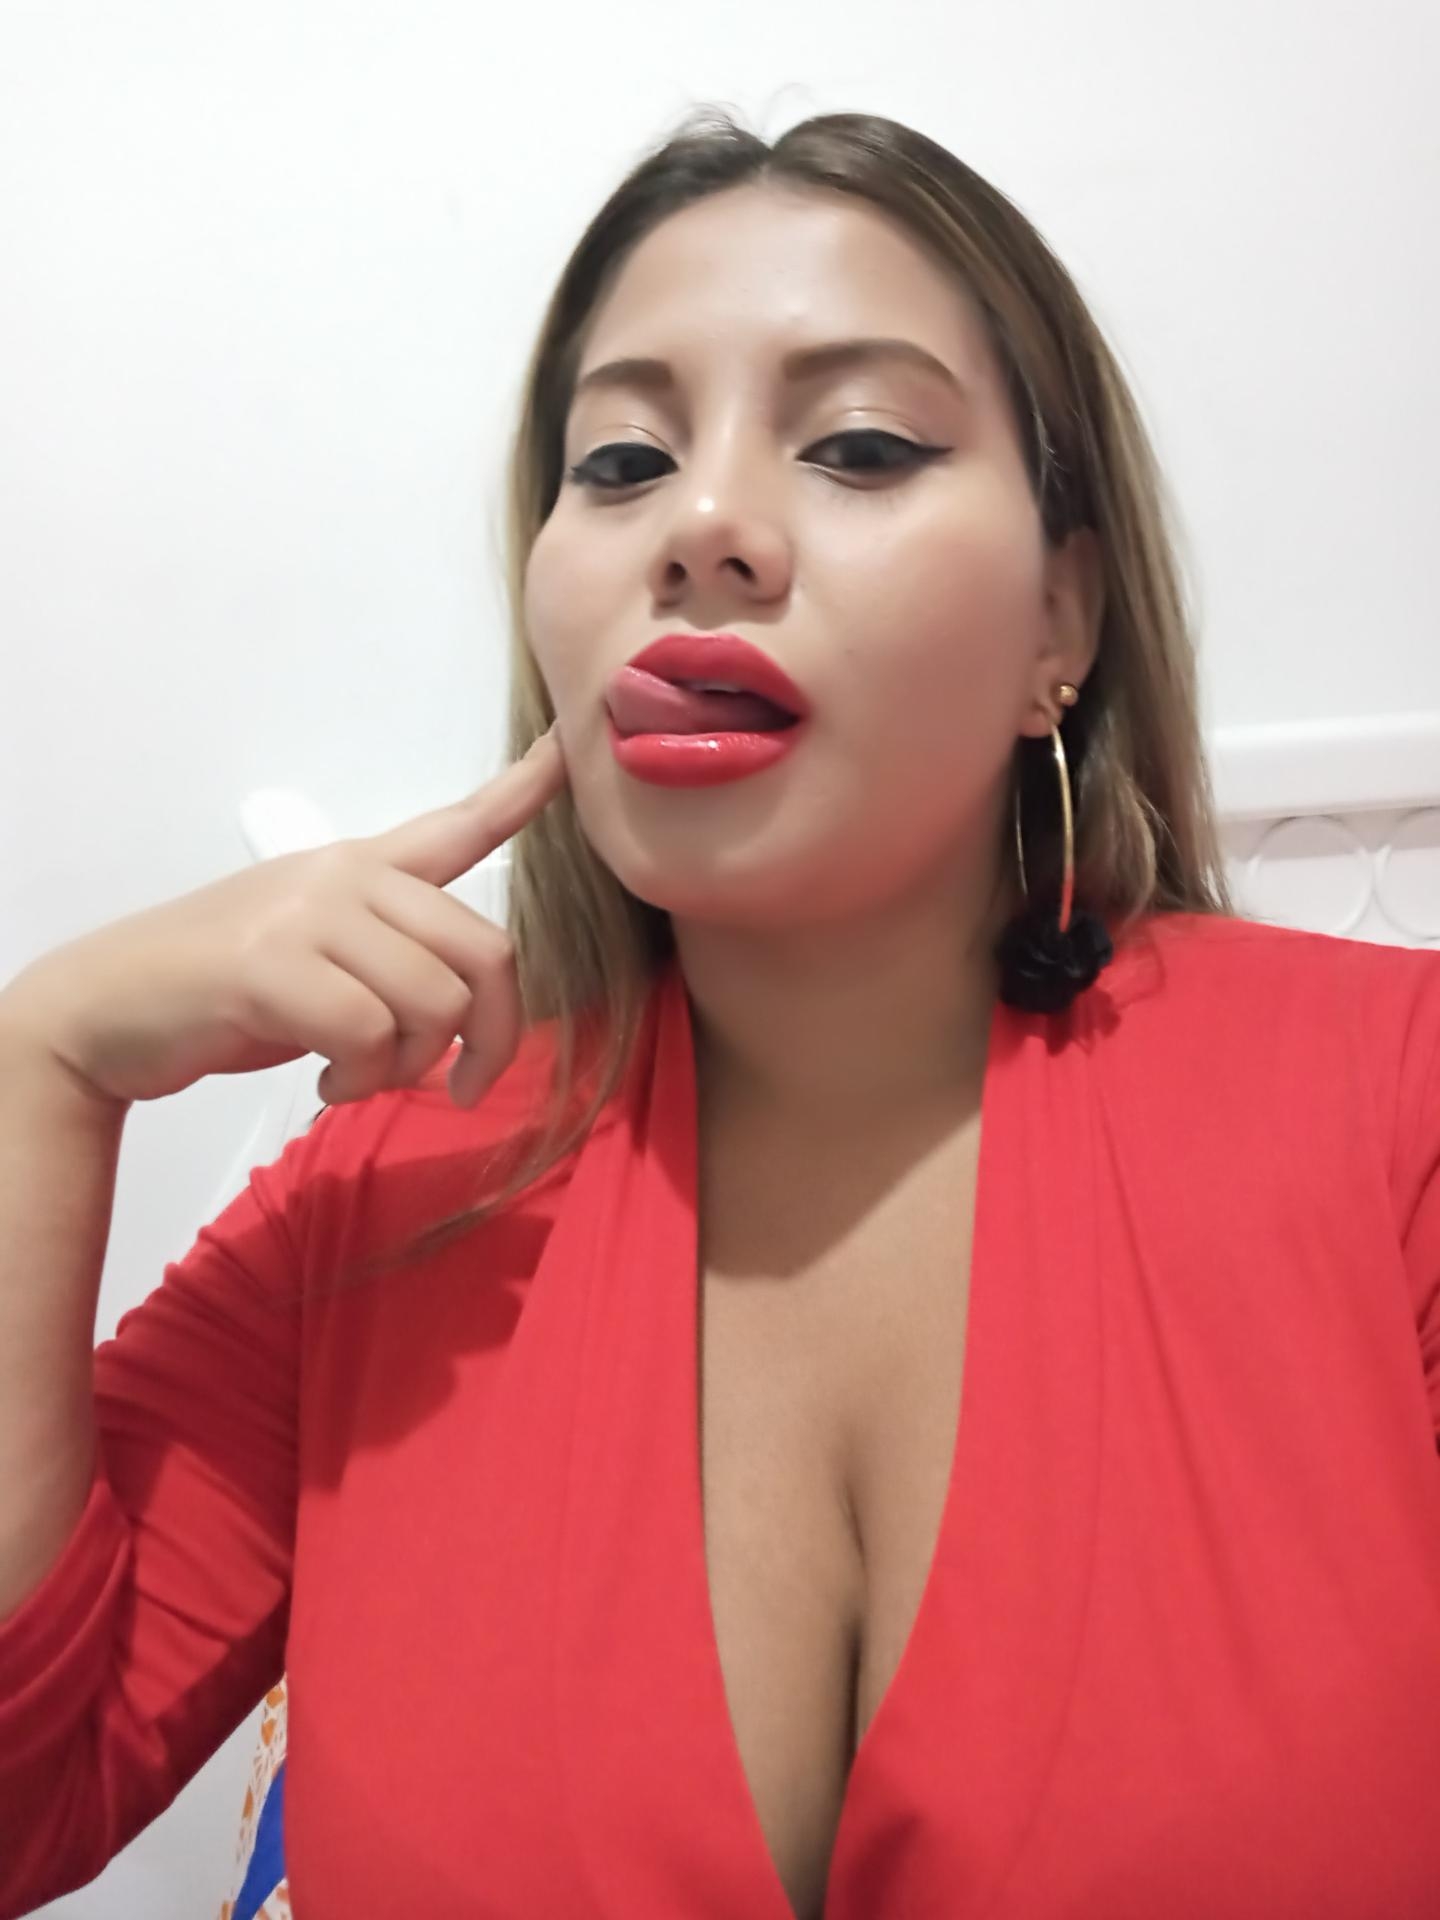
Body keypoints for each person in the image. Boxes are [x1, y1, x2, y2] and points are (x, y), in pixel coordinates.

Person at [2, 103, 1439, 1920]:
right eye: (620, 463)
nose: (701, 529)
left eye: (860, 443)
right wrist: (40, 1068)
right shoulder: (381, 1201)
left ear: (1060, 622)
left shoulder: (1396, 1112)